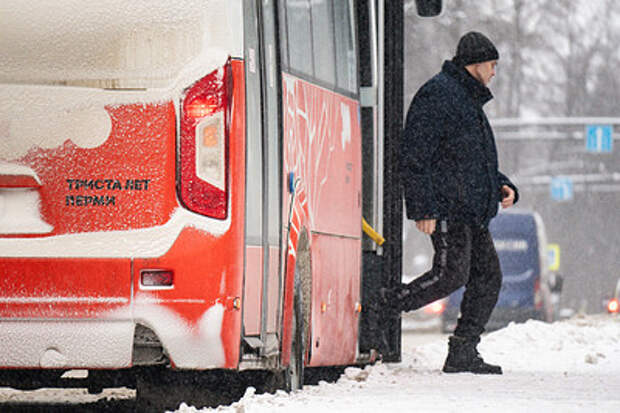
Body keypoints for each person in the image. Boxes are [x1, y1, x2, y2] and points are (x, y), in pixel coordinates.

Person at [396, 31, 519, 374]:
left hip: (471, 211)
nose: (494, 72)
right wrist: (423, 208)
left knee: (488, 277)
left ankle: (463, 350)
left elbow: (474, 162)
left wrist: (502, 185)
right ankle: (384, 307)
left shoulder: (467, 99)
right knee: (450, 275)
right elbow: (415, 154)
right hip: (449, 206)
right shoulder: (439, 94)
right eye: (492, 64)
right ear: (476, 63)